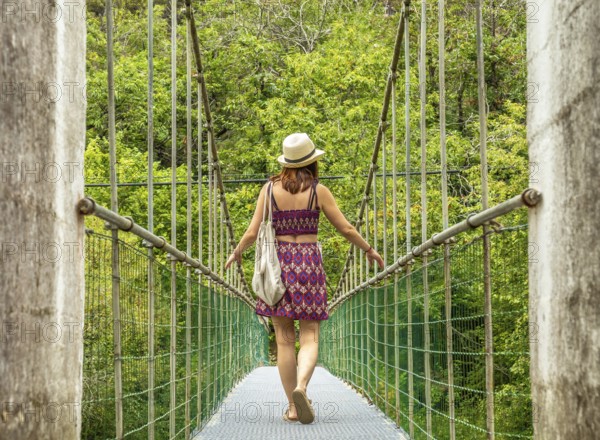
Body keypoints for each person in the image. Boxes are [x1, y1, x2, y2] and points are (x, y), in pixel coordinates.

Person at [225, 133, 384, 424]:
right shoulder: (318, 191)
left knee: (285, 340)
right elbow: (346, 229)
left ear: (285, 162)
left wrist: (236, 254)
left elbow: (251, 232)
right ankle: (302, 387)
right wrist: (369, 250)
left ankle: (294, 407)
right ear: (312, 161)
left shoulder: (269, 189)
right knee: (309, 336)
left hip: (278, 267)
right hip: (308, 264)